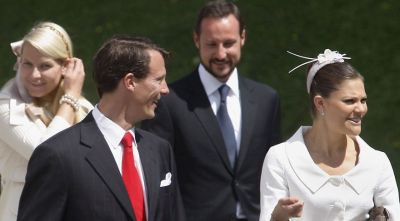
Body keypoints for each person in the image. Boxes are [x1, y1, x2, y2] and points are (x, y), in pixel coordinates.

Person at [17, 35, 186, 221]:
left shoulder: (160, 150)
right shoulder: (58, 155)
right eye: (158, 80)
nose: (165, 89)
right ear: (130, 81)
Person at [141, 1, 280, 220]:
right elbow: (157, 177)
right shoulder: (168, 102)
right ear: (197, 40)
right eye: (212, 44)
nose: (221, 54)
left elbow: (275, 170)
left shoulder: (266, 99)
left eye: (229, 43)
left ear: (243, 37)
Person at [259, 49, 400, 220]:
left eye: (363, 100)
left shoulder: (378, 163)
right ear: (320, 103)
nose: (361, 109)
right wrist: (277, 218)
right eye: (350, 101)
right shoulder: (280, 159)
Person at [0, 21, 93, 221]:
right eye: (27, 64)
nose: (34, 75)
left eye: (45, 66)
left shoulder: (84, 108)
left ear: (67, 66)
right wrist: (70, 98)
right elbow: (46, 154)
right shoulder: (6, 107)